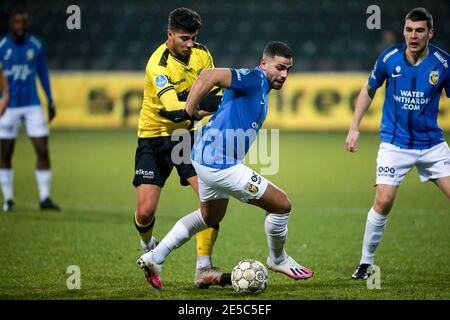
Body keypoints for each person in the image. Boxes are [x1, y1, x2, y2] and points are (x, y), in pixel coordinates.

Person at [137, 41, 314, 289]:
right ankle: (278, 258)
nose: (284, 75)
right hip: (220, 165)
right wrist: (187, 110)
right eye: (280, 68)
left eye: (288, 70)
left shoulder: (260, 86)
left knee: (210, 216)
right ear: (264, 64)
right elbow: (210, 75)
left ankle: (155, 257)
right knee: (282, 205)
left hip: (204, 158)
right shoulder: (253, 78)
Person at [346, 7, 450, 279]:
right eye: (408, 30)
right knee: (384, 200)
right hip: (395, 144)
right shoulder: (389, 58)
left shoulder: (443, 63)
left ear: (430, 33)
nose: (412, 36)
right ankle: (366, 263)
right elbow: (369, 89)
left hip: (432, 145)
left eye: (419, 31)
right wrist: (354, 127)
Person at [133, 7, 228, 289]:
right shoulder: (158, 66)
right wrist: (199, 108)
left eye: (193, 38)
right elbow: (174, 109)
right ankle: (149, 244)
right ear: (170, 34)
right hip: (153, 138)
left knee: (210, 201)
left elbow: (215, 91)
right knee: (145, 212)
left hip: (185, 139)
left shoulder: (202, 53)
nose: (190, 44)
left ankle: (204, 268)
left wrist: (199, 107)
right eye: (184, 38)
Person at [0, 8, 59, 212]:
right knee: (6, 152)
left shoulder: (35, 46)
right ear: (11, 24)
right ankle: (8, 199)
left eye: (23, 22)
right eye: (17, 22)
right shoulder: (2, 46)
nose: (20, 26)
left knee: (42, 149)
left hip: (32, 104)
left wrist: (50, 100)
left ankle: (44, 198)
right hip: (9, 106)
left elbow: (42, 73)